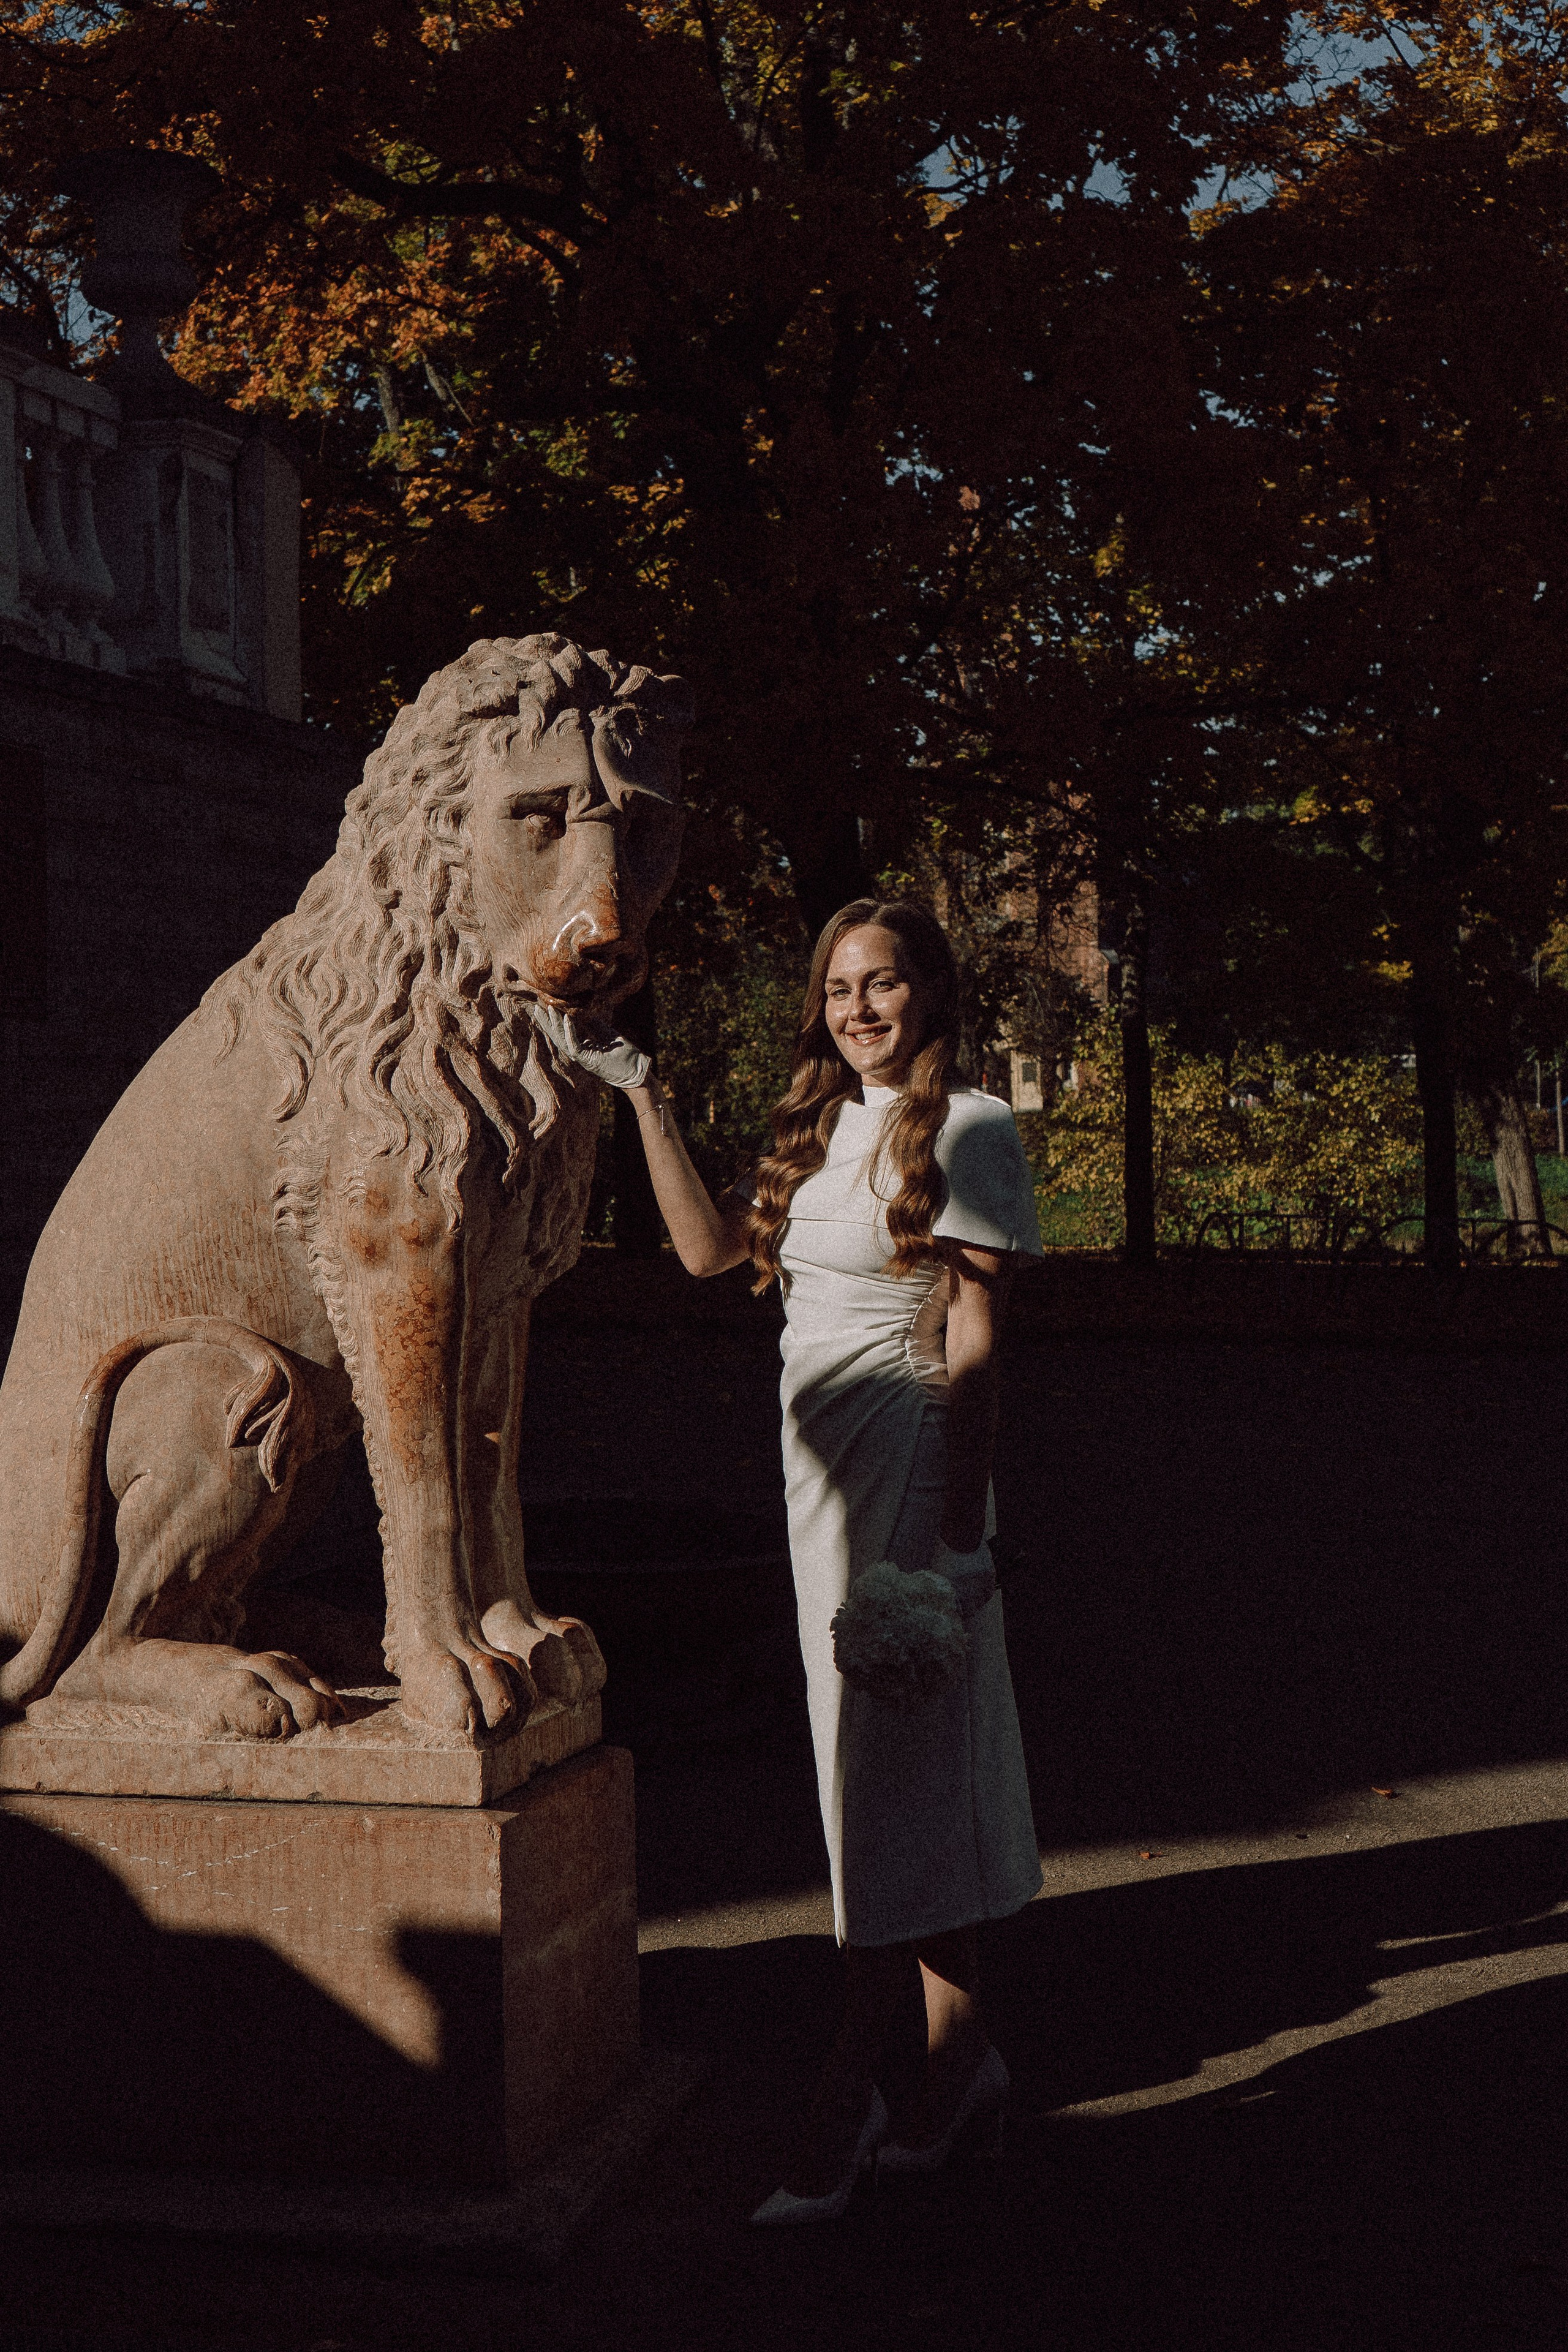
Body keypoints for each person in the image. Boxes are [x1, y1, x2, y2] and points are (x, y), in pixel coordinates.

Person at [534, 898, 1044, 2225]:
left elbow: (977, 1341)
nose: (857, 1008)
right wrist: (642, 1097)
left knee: (894, 1777)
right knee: (875, 1780)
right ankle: (954, 2069)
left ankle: (854, 2088)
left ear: (929, 991)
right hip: (816, 1494)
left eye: (881, 984)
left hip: (912, 1487)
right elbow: (710, 1255)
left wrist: (957, 1538)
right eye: (835, 988)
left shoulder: (972, 1125)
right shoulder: (816, 1126)